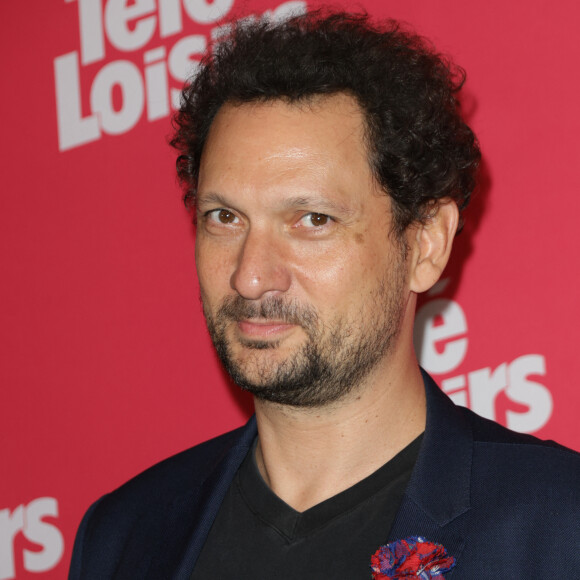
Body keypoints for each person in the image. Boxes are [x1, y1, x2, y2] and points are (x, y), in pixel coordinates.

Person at [69, 10, 580, 579]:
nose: (250, 276)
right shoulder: (123, 538)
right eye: (224, 217)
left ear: (424, 245)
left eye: (312, 219)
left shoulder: (558, 526)